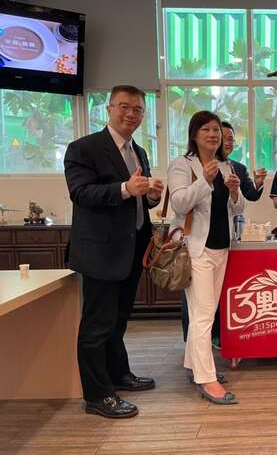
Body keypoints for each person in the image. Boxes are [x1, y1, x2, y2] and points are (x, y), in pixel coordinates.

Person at [64, 85, 164, 418]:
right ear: (108, 108)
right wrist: (125, 188)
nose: (131, 114)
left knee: (119, 320)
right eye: (124, 106)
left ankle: (119, 374)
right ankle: (97, 395)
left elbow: (138, 198)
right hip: (100, 252)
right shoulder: (84, 148)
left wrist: (151, 196)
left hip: (132, 248)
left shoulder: (139, 151)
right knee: (97, 325)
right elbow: (81, 193)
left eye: (138, 109)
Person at [168, 110, 244, 405]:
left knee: (205, 312)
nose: (213, 135)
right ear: (194, 134)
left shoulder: (225, 165)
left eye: (216, 131)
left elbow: (237, 209)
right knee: (203, 314)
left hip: (221, 248)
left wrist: (235, 193)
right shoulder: (182, 164)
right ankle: (206, 379)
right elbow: (178, 204)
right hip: (195, 248)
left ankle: (194, 365)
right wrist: (204, 180)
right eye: (206, 130)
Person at [221, 121, 267, 202]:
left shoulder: (240, 168)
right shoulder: (203, 164)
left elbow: (252, 196)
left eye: (230, 139)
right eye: (223, 138)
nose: (227, 143)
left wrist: (257, 183)